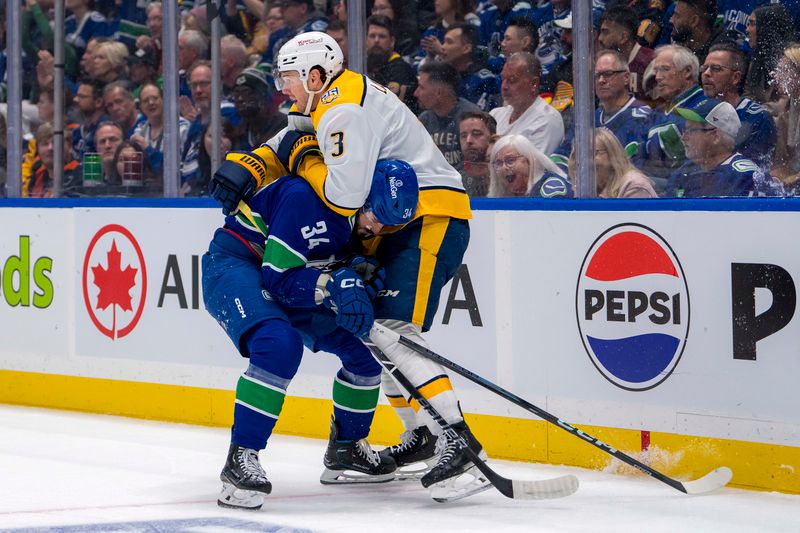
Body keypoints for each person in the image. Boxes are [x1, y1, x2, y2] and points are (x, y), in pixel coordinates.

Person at [209, 31, 489, 501]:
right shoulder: (333, 98)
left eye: (290, 78)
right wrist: (258, 163)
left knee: (394, 330)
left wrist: (299, 160)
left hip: (425, 216)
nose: (283, 89)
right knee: (379, 332)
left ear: (315, 75)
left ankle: (454, 441)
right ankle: (423, 433)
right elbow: (297, 138)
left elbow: (342, 195)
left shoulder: (341, 109)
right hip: (384, 219)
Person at [203, 162, 418, 509]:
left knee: (364, 351)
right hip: (237, 265)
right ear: (362, 194)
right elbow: (278, 279)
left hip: (292, 277)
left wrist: (356, 274)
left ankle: (346, 449)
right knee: (278, 344)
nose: (379, 227)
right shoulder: (307, 198)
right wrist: (332, 285)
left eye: (389, 222)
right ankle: (241, 458)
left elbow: (322, 264)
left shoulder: (362, 219)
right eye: (376, 214)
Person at [664, 98, 774, 197]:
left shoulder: (746, 177)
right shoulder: (683, 173)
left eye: (691, 130)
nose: (683, 137)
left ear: (716, 136)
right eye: (684, 130)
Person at [700, 42, 777, 171]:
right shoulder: (698, 113)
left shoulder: (758, 118)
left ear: (735, 77)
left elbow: (752, 175)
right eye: (704, 68)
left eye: (716, 68)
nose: (706, 74)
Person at [642, 44, 705, 187]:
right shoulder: (655, 114)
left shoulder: (704, 109)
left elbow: (698, 166)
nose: (657, 77)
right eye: (656, 71)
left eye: (665, 69)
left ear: (687, 71)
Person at [490, 52, 564, 156]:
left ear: (533, 84)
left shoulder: (548, 120)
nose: (504, 86)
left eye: (512, 80)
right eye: (503, 79)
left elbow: (533, 169)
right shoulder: (495, 115)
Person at [415, 61, 481, 172]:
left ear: (438, 93)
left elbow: (475, 165)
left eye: (421, 88)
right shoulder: (424, 119)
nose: (416, 93)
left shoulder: (471, 117)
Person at [569, 128, 657, 198]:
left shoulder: (634, 185)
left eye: (593, 154)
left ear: (612, 155)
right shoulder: (585, 187)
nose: (585, 161)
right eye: (578, 155)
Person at [130, 82, 191, 183]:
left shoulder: (181, 127)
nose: (151, 103)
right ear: (140, 106)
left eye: (155, 98)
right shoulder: (140, 130)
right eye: (145, 101)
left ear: (164, 100)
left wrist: (148, 149)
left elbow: (177, 168)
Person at [597, 5, 655, 102]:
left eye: (605, 32)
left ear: (623, 37)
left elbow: (661, 107)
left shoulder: (649, 62)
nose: (600, 38)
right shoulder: (603, 64)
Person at [487, 133, 572, 198]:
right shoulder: (504, 193)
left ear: (529, 161)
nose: (504, 167)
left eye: (510, 160)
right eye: (498, 163)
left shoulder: (552, 188)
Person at [439, 23, 500, 111]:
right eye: (443, 42)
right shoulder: (442, 76)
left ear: (466, 48)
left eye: (449, 42)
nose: (442, 47)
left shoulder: (483, 80)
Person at [743, 4, 796, 105]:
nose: (747, 29)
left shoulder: (792, 58)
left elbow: (786, 107)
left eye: (752, 24)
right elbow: (748, 94)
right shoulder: (758, 57)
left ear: (767, 27)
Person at [365, 15, 417, 113]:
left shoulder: (400, 70)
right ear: (366, 41)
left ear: (392, 41)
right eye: (372, 36)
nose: (376, 40)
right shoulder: (364, 65)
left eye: (382, 36)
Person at [230, 68, 287, 151]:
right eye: (236, 93)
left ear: (263, 94)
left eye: (246, 92)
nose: (240, 98)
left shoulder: (283, 125)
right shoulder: (239, 133)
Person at [769, 44, 800, 193]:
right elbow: (780, 164)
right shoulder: (787, 111)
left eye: (783, 71)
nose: (776, 76)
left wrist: (791, 179)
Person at [668, 0, 737, 65]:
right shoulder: (681, 41)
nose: (671, 20)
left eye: (677, 16)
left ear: (694, 21)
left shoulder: (722, 52)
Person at [458, 111, 496, 197]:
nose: (468, 140)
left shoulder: (505, 176)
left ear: (492, 137)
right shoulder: (453, 178)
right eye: (463, 135)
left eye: (476, 134)